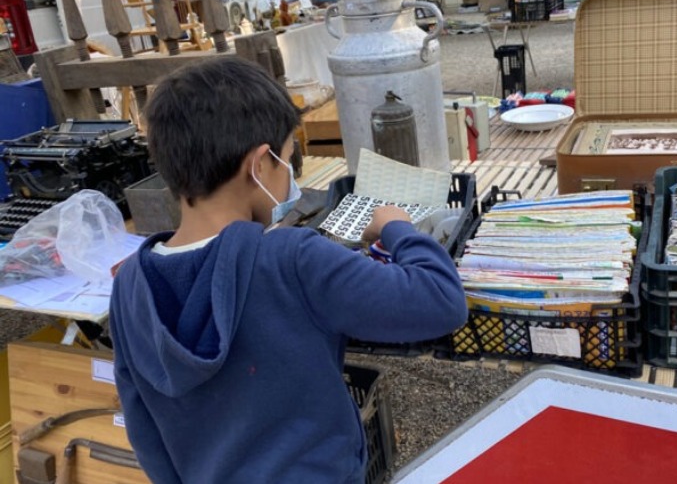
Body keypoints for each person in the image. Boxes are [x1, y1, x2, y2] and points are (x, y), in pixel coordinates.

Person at [109, 57, 468, 483]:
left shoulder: (129, 285)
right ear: (259, 165)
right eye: (288, 160)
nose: (290, 180)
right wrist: (397, 227)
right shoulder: (291, 258)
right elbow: (441, 301)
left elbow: (144, 432)